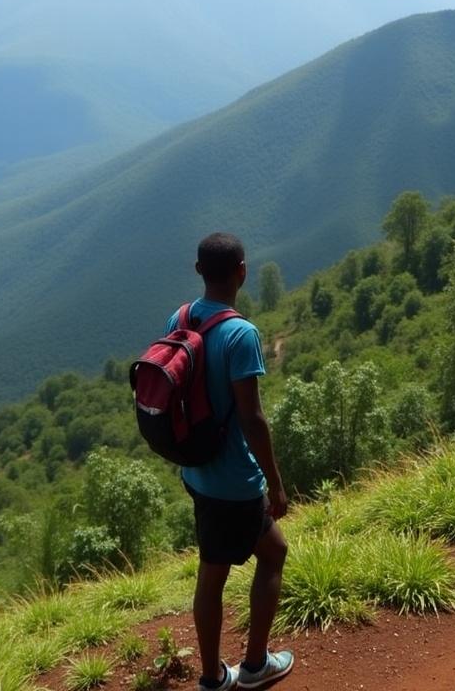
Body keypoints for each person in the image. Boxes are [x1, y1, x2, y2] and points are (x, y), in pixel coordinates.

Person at [168, 232, 293, 691]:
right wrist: (275, 484)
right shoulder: (241, 334)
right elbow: (252, 417)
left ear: (199, 270)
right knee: (268, 555)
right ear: (242, 270)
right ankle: (253, 668)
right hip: (233, 481)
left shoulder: (180, 317)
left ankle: (214, 676)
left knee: (214, 566)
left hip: (195, 471)